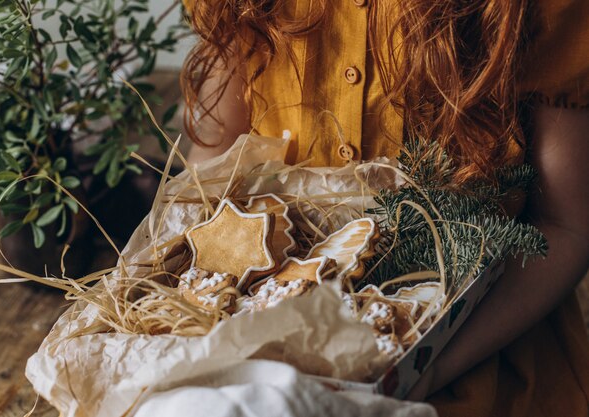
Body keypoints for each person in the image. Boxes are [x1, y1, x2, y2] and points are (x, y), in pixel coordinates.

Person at [179, 1, 589, 415]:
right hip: (251, 343)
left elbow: (564, 226)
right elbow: (214, 166)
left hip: (482, 355)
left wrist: (422, 370)